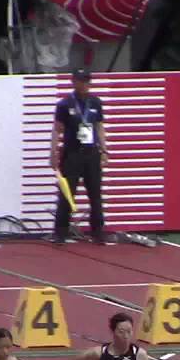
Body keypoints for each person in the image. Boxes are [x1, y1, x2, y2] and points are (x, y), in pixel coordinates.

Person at [51, 68, 111, 245]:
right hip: (72, 153)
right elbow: (57, 129)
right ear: (74, 82)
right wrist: (53, 152)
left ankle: (98, 231)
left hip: (91, 153)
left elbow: (99, 126)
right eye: (81, 81)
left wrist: (104, 150)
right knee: (67, 194)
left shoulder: (95, 102)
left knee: (96, 194)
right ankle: (60, 232)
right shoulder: (65, 104)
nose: (85, 85)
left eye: (87, 81)